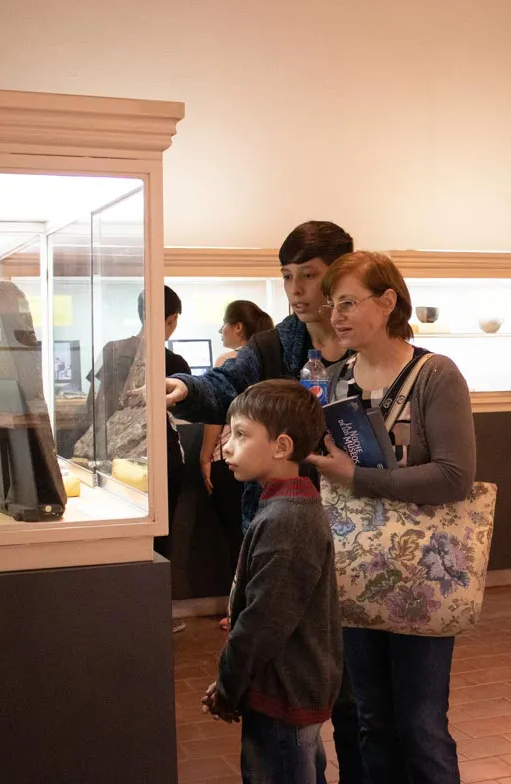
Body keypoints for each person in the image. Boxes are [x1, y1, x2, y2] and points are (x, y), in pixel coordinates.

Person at [165, 220, 362, 784]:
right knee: (293, 665)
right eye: (287, 277)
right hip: (289, 513)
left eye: (310, 275)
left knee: (351, 690)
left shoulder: (367, 342)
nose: (297, 289)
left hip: (359, 526)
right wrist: (190, 390)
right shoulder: (277, 342)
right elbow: (231, 385)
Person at [308, 251, 476, 784]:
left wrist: (356, 477)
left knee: (422, 724)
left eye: (350, 302)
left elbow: (454, 478)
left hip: (422, 571)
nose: (337, 314)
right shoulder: (333, 379)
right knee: (370, 719)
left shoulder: (435, 375)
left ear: (388, 303)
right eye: (333, 303)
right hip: (354, 565)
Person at [201, 379, 343, 784]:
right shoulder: (284, 508)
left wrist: (229, 687)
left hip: (284, 694)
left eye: (241, 435)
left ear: (281, 447)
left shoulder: (288, 521)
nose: (226, 446)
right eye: (228, 433)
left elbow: (262, 623)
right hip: (282, 687)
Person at [198, 299, 276, 628]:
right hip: (263, 461)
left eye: (225, 325)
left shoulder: (230, 361)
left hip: (229, 459)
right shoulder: (271, 361)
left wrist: (204, 455)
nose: (221, 331)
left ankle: (238, 609)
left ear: (238, 328)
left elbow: (217, 413)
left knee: (237, 537)